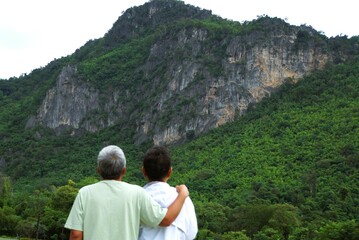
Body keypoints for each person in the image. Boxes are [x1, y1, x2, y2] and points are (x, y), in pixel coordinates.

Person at [64, 145, 189, 240]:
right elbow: (165, 220)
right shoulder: (137, 193)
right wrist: (182, 194)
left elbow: (76, 235)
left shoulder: (85, 193)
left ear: (98, 170)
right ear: (124, 171)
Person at [139, 146, 198, 240]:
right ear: (170, 171)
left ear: (144, 171)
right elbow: (191, 233)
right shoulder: (184, 200)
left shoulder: (136, 199)